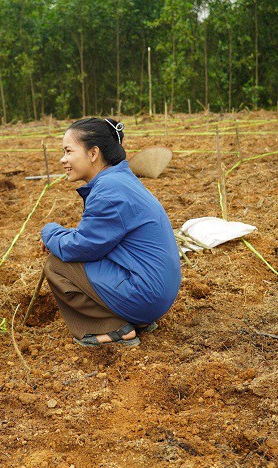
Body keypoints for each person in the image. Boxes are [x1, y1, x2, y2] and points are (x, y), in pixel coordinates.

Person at [40, 118, 181, 346]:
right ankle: (136, 318)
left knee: (57, 265)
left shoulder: (108, 191)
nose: (62, 159)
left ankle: (113, 328)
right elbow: (95, 238)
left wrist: (49, 231)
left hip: (146, 295)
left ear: (93, 153)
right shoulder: (120, 179)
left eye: (68, 151)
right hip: (156, 292)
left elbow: (79, 248)